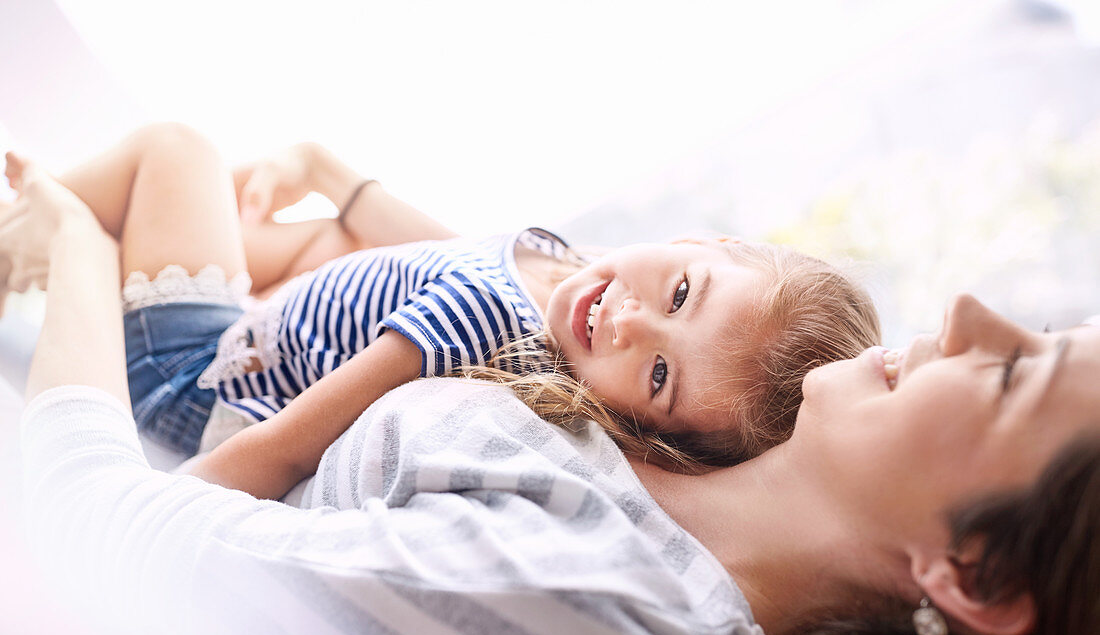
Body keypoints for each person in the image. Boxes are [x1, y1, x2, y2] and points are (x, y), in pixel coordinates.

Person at [6, 144, 1100, 635]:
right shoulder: (700, 453)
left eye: (1012, 372)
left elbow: (90, 540)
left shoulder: (594, 613)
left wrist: (77, 248)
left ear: (971, 569)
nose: (962, 310)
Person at [4, 124, 879, 502]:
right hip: (273, 320)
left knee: (176, 149)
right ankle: (79, 243)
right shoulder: (557, 269)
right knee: (323, 233)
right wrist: (327, 170)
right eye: (682, 293)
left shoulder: (498, 326)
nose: (629, 322)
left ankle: (24, 245)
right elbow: (449, 247)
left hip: (190, 377)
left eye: (657, 373)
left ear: (647, 428)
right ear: (711, 242)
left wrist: (137, 510)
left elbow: (288, 445)